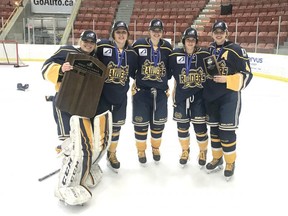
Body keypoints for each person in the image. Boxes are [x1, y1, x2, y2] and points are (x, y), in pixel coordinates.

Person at [41, 30, 112, 205]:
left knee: (86, 143)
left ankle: (84, 168)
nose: (88, 44)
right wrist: (60, 69)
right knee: (70, 145)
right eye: (85, 41)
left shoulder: (96, 60)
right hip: (65, 104)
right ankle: (64, 186)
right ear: (80, 40)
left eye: (91, 42)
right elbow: (45, 68)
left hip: (84, 107)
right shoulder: (66, 51)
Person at [203, 21, 253, 181]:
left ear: (227, 33)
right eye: (216, 31)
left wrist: (227, 79)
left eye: (221, 31)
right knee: (214, 131)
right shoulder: (208, 50)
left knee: (227, 131)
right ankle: (217, 158)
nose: (219, 34)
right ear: (212, 33)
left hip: (229, 97)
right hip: (211, 97)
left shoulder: (237, 50)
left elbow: (247, 74)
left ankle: (230, 162)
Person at [96, 21, 138, 172]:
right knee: (100, 129)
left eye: (124, 32)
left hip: (121, 98)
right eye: (118, 32)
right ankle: (94, 157)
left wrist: (136, 83)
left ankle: (112, 154)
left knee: (116, 129)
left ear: (128, 35)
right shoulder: (102, 47)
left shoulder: (132, 54)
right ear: (113, 34)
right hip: (102, 97)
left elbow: (137, 73)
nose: (121, 35)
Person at [132, 19, 172, 164]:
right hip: (142, 92)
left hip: (160, 93)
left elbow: (171, 69)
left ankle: (155, 148)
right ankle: (141, 149)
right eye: (154, 30)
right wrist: (135, 81)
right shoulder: (138, 45)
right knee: (140, 124)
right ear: (149, 31)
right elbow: (131, 65)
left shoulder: (167, 47)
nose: (156, 33)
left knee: (158, 124)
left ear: (162, 32)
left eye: (159, 30)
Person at [168, 27, 210, 167]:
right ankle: (185, 150)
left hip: (199, 98)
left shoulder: (204, 54)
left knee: (200, 128)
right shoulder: (174, 55)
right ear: (184, 41)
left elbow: (213, 72)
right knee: (182, 127)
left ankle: (203, 151)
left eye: (193, 40)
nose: (190, 42)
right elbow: (166, 73)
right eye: (188, 40)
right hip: (180, 97)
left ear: (196, 41)